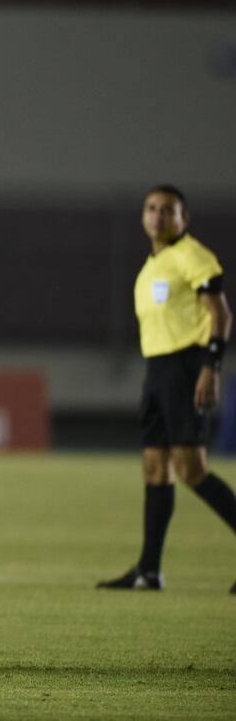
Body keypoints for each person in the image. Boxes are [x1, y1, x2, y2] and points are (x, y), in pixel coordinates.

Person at [98, 184, 235, 594]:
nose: (158, 216)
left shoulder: (192, 256)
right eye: (152, 208)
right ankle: (148, 570)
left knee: (192, 470)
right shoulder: (151, 266)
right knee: (156, 469)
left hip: (185, 365)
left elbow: (221, 314)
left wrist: (210, 366)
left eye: (168, 210)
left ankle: (149, 569)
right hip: (157, 369)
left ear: (183, 219)